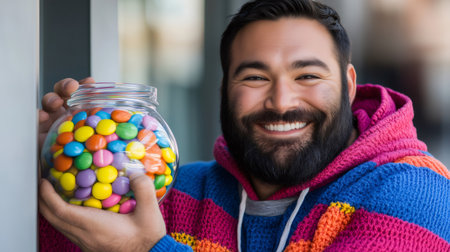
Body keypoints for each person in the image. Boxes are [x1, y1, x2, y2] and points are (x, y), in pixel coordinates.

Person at [39, 0, 450, 251]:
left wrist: (148, 249)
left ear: (348, 85)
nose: (281, 102)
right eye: (254, 77)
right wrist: (51, 169)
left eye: (307, 76)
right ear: (224, 89)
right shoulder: (171, 193)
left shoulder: (418, 193)